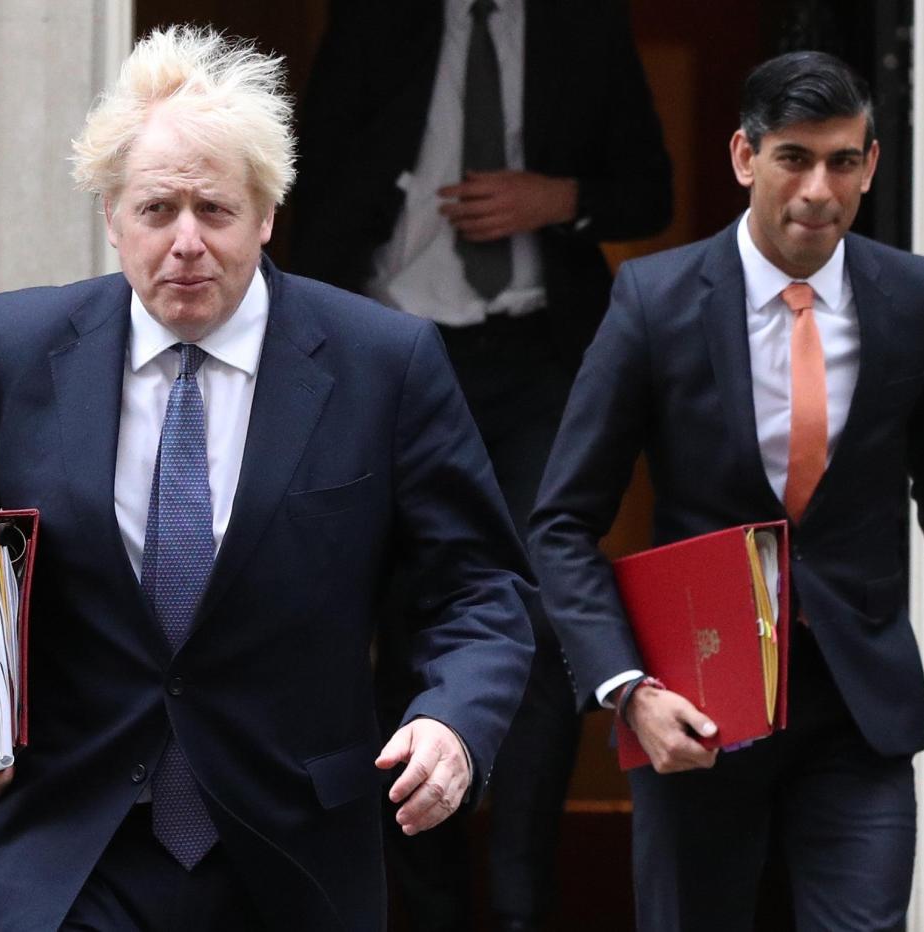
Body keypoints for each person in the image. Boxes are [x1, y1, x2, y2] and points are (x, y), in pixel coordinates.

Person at [0, 26, 535, 932]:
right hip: (62, 850)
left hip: (293, 857)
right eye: (155, 211)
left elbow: (481, 586)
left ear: (265, 213)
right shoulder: (18, 349)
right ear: (111, 217)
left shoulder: (384, 363)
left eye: (214, 211)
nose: (185, 243)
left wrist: (453, 721)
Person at [529, 50, 924, 931]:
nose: (819, 189)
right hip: (697, 710)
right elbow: (559, 524)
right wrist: (628, 689)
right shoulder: (654, 303)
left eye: (843, 161)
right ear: (746, 158)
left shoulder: (912, 297)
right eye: (794, 159)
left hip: (859, 712)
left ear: (871, 165)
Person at [290, 3, 672, 928]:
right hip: (393, 355)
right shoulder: (374, 21)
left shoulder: (586, 26)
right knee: (403, 624)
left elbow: (649, 191)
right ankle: (422, 906)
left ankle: (519, 905)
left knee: (539, 625)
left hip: (538, 361)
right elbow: (303, 180)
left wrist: (558, 197)